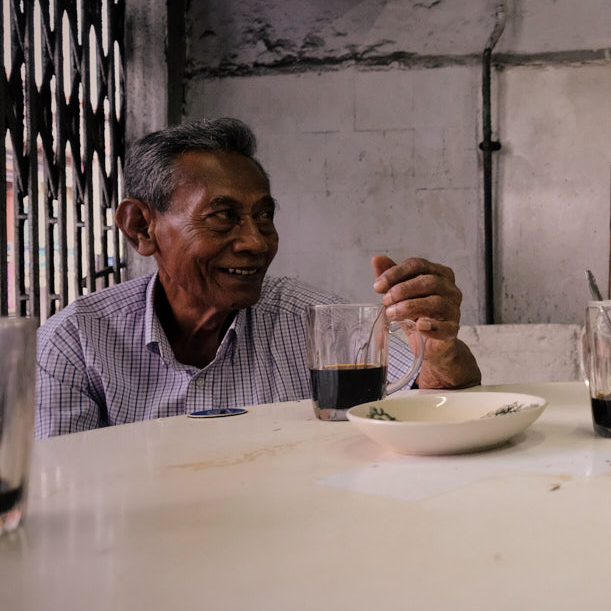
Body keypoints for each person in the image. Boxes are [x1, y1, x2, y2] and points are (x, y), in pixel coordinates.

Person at [36, 118, 481, 437]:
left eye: (264, 216)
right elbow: (59, 491)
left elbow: (437, 398)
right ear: (141, 227)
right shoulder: (77, 342)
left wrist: (438, 349)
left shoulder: (306, 318)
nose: (256, 242)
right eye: (223, 216)